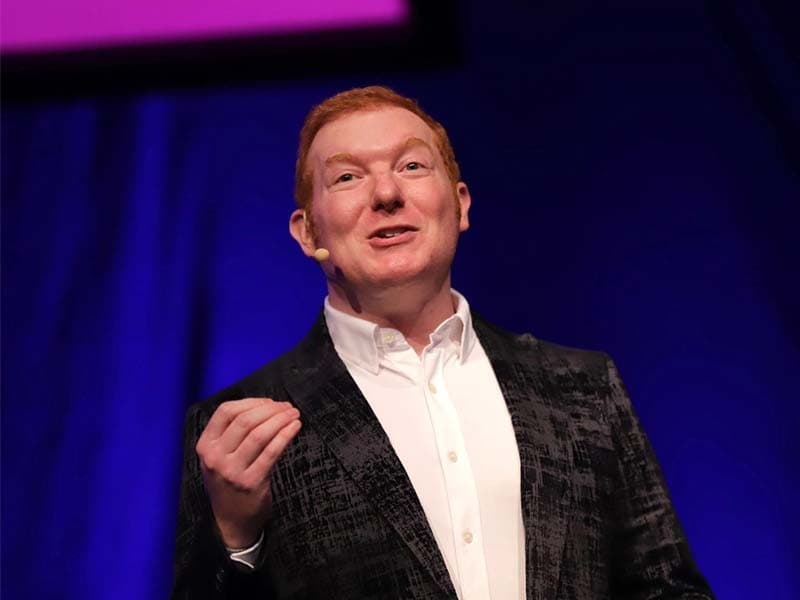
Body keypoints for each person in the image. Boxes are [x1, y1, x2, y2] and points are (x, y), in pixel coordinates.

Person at [171, 86, 714, 600]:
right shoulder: (238, 430)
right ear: (309, 232)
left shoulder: (582, 389)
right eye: (347, 178)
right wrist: (238, 539)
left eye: (411, 166)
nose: (386, 194)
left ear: (459, 205)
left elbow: (668, 588)